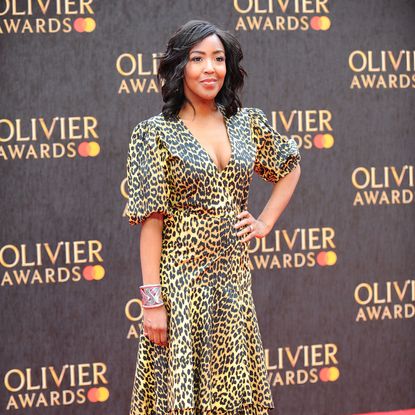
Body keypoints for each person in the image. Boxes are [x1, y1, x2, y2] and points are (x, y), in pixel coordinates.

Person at [126, 19, 301, 415]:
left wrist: (265, 221)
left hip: (233, 283)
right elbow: (152, 223)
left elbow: (289, 166)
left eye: (218, 59)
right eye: (198, 58)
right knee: (181, 397)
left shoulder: (248, 122)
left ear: (230, 66)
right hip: (181, 286)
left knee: (234, 394)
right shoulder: (153, 133)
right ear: (179, 67)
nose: (210, 68)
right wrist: (153, 303)